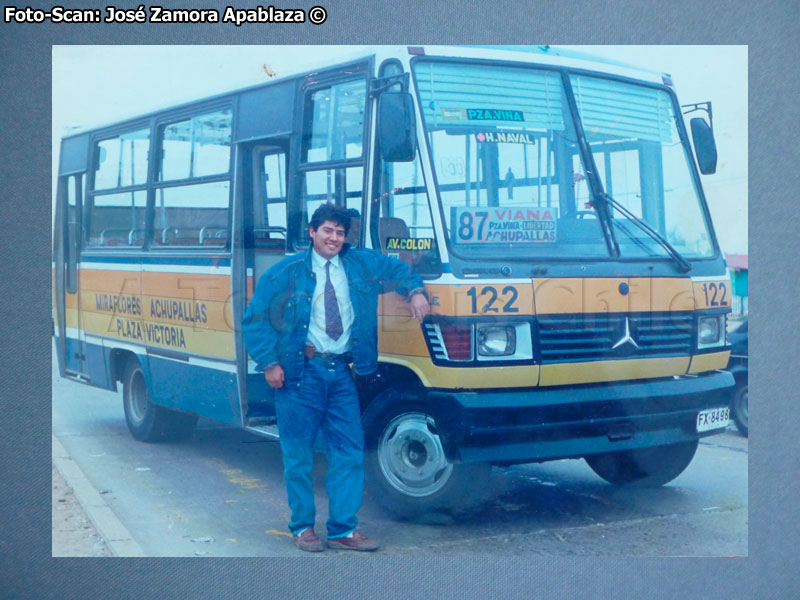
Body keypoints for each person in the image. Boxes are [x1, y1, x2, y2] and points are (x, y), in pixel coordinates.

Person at [242, 203, 430, 552]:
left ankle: (344, 529)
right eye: (327, 230)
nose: (334, 238)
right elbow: (255, 318)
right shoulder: (288, 271)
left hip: (341, 372)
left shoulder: (361, 263)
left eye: (340, 233)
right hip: (301, 375)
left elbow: (399, 269)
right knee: (298, 455)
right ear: (312, 232)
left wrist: (416, 292)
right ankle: (302, 528)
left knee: (348, 452)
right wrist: (269, 362)